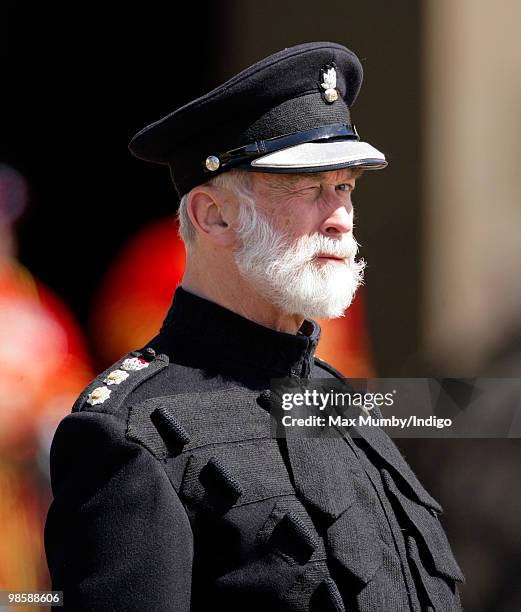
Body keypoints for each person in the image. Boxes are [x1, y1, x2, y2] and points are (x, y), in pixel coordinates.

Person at [44, 42, 464, 611]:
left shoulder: (340, 399)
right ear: (212, 215)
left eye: (344, 187)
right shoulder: (127, 436)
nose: (340, 217)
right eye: (307, 187)